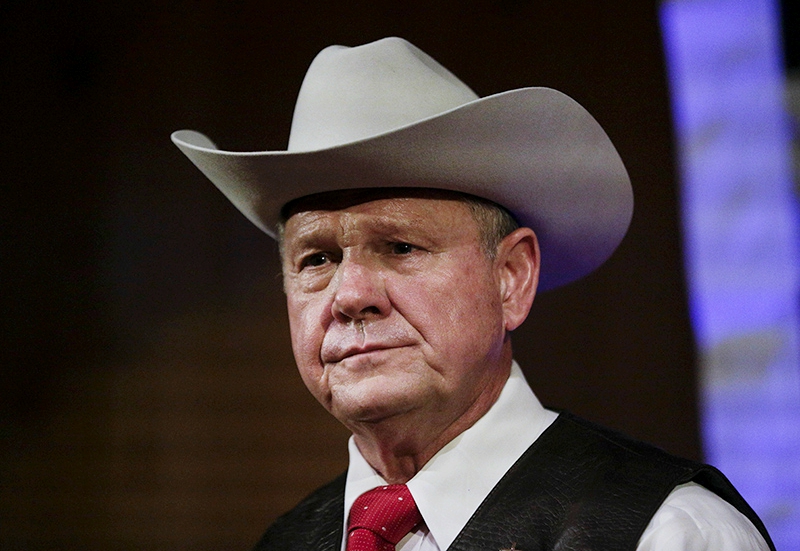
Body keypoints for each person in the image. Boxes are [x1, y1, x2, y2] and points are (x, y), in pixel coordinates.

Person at [172, 37, 774, 551]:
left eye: (401, 247)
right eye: (317, 258)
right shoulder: (286, 542)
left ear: (511, 277)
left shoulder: (664, 533)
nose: (351, 294)